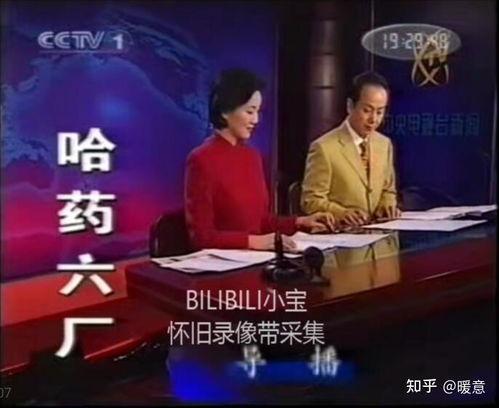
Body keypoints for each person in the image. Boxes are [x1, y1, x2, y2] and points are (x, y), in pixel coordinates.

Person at [185, 68, 335, 251]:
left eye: (257, 111)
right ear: (225, 111)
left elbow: (261, 222)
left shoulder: (252, 156)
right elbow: (202, 237)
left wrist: (300, 222)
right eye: (250, 112)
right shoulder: (201, 160)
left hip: (257, 258)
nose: (255, 120)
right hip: (224, 263)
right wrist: (253, 242)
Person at [301, 71, 400, 226]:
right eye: (367, 110)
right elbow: (310, 200)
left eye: (380, 112)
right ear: (350, 106)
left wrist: (387, 205)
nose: (373, 119)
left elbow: (388, 190)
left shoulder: (384, 144)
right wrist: (342, 213)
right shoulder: (324, 148)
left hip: (378, 232)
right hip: (341, 233)